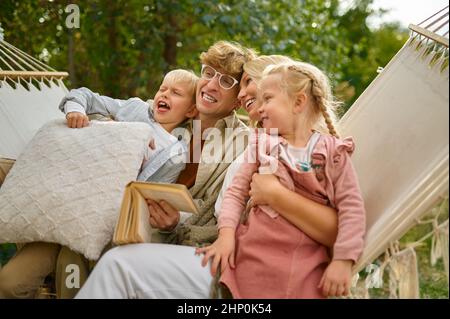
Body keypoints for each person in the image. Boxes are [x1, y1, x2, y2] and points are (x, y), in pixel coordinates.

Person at [75, 52, 340, 299]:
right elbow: (229, 209)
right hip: (210, 247)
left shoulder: (283, 149)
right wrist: (116, 129)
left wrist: (273, 195)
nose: (244, 90)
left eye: (241, 83)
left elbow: (334, 226)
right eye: (208, 73)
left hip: (241, 268)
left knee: (118, 263)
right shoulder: (180, 115)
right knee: (94, 255)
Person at [0, 69, 199, 299]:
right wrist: (75, 110)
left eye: (176, 93)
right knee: (8, 283)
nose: (164, 94)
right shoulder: (135, 110)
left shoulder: (177, 153)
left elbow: (150, 197)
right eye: (162, 88)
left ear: (191, 110)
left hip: (101, 226)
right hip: (64, 211)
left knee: (71, 272)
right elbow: (85, 95)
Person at [197, 61, 366, 298]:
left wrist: (343, 260)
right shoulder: (262, 144)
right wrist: (226, 237)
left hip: (300, 266)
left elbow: (352, 208)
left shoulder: (332, 153)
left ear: (298, 102)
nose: (260, 107)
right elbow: (235, 194)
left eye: (267, 99)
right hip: (251, 254)